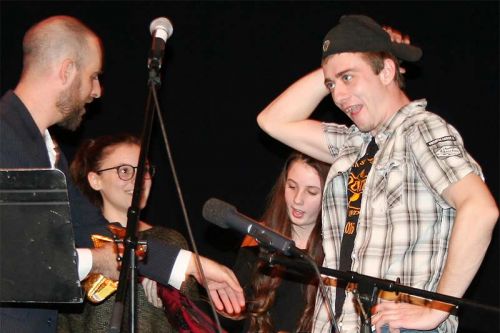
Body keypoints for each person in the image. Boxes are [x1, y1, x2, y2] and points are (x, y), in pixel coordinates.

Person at [0, 15, 244, 332]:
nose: (97, 91)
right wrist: (95, 260)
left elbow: (95, 229)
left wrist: (192, 265)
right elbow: (14, 259)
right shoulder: (4, 134)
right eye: (93, 77)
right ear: (67, 70)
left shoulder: (49, 149)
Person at [256, 14, 498, 333]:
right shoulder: (353, 144)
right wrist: (340, 58)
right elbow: (272, 121)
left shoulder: (419, 130)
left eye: (348, 78)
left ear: (386, 70)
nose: (338, 96)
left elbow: (481, 209)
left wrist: (439, 306)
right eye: (332, 85)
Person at [55, 133, 200, 332]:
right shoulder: (78, 242)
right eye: (124, 170)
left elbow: (192, 318)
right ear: (95, 180)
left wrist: (169, 298)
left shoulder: (169, 241)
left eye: (144, 170)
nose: (138, 180)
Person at [225, 152, 330, 332]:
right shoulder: (256, 237)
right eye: (291, 186)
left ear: (330, 196)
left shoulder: (336, 253)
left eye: (311, 192)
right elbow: (234, 315)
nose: (298, 200)